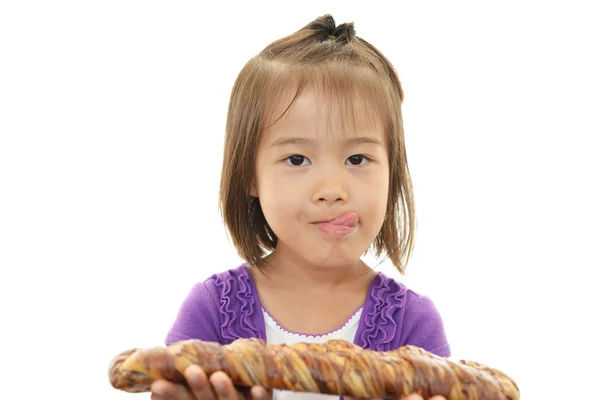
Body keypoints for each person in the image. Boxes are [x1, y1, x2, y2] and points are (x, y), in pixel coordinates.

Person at [150, 14, 450, 400]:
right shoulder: (210, 312)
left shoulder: (413, 325)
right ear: (251, 175)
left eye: (357, 159)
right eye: (297, 160)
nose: (332, 190)